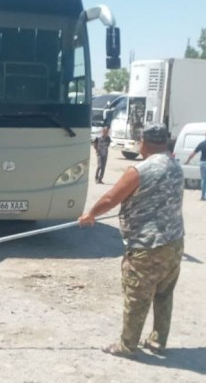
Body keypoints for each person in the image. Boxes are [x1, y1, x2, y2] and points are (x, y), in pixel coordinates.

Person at [78, 123, 184, 357]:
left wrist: (91, 215)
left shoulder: (139, 170)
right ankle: (158, 340)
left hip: (148, 246)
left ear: (144, 143)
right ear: (165, 142)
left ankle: (127, 345)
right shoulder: (176, 166)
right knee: (164, 293)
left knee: (137, 296)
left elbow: (110, 198)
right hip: (175, 242)